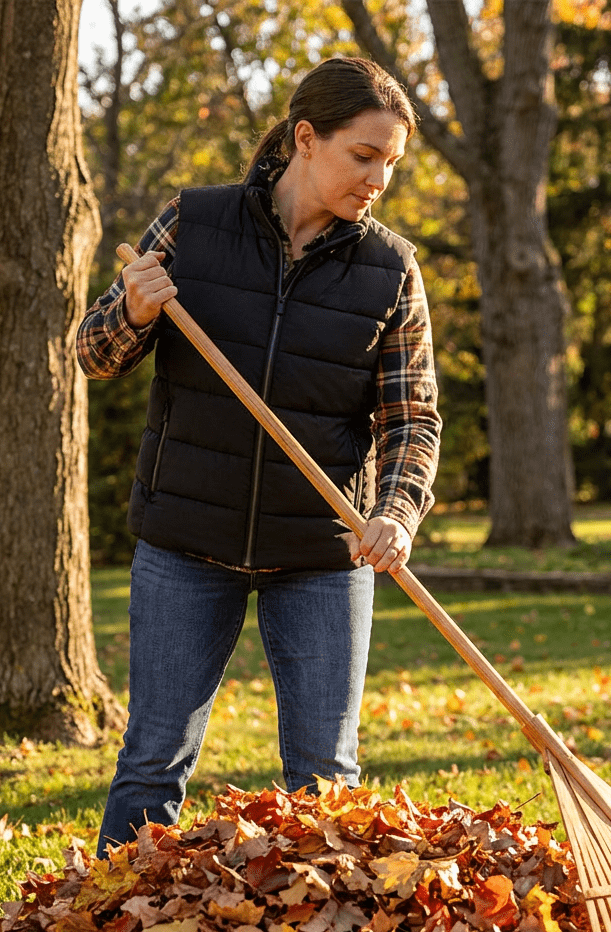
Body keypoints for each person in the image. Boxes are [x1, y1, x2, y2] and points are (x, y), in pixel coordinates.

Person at [77, 56, 442, 858]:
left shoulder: (390, 269)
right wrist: (133, 311)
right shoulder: (195, 223)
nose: (378, 179)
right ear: (306, 139)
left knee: (326, 779)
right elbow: (94, 353)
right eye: (364, 155)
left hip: (322, 553)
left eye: (391, 163)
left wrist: (396, 514)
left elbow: (413, 420)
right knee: (151, 764)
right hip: (186, 543)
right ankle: (107, 923)